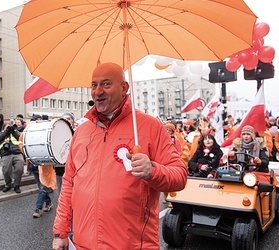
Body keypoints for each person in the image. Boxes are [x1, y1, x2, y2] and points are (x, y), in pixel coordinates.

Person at [52, 62, 187, 249]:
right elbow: (68, 184)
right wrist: (61, 232)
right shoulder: (82, 131)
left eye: (106, 84)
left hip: (132, 245)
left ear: (124, 88)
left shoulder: (150, 126)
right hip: (83, 244)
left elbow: (179, 177)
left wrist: (152, 171)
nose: (97, 91)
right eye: (94, 85)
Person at [0, 122, 24, 193]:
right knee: (6, 171)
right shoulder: (1, 133)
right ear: (3, 128)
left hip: (17, 152)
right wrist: (6, 132)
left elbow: (20, 137)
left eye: (9, 127)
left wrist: (13, 131)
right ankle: (8, 184)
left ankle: (17, 185)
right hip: (6, 153)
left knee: (19, 169)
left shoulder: (15, 132)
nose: (8, 128)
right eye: (6, 127)